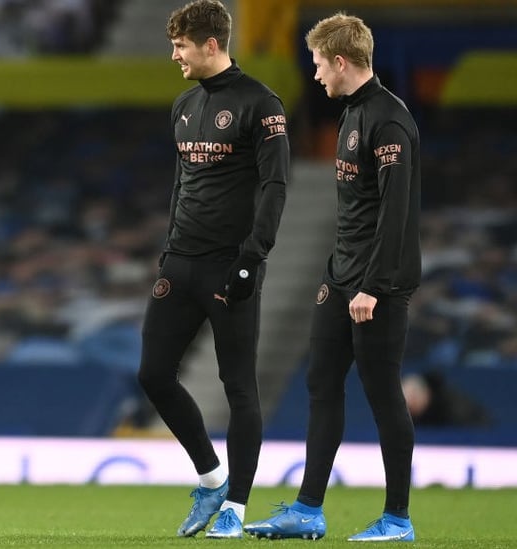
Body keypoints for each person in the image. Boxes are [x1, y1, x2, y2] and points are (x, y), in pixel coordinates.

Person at [244, 12, 421, 542]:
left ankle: (397, 518)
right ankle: (307, 510)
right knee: (322, 383)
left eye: (319, 64)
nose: (316, 74)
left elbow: (396, 213)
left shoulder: (388, 120)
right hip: (340, 276)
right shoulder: (350, 115)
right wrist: (339, 274)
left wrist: (373, 285)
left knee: (383, 392)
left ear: (341, 61)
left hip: (377, 285)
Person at [137, 0, 288, 539]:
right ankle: (211, 479)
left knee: (238, 387)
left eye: (181, 46)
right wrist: (169, 248)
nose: (174, 55)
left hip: (231, 266)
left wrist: (254, 258)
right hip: (181, 261)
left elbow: (275, 185)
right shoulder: (183, 104)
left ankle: (237, 509)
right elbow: (184, 182)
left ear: (210, 44)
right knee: (153, 374)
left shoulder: (260, 103)